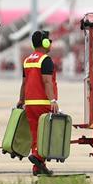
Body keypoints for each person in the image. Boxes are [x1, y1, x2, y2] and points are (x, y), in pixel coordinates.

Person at [17, 30, 58, 176]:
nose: (51, 43)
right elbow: (47, 82)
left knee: (36, 135)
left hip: (30, 104)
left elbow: (24, 83)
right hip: (43, 103)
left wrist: (21, 100)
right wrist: (53, 100)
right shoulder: (45, 60)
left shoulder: (27, 60)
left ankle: (38, 168)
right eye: (49, 40)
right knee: (47, 134)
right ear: (44, 43)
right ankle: (38, 157)